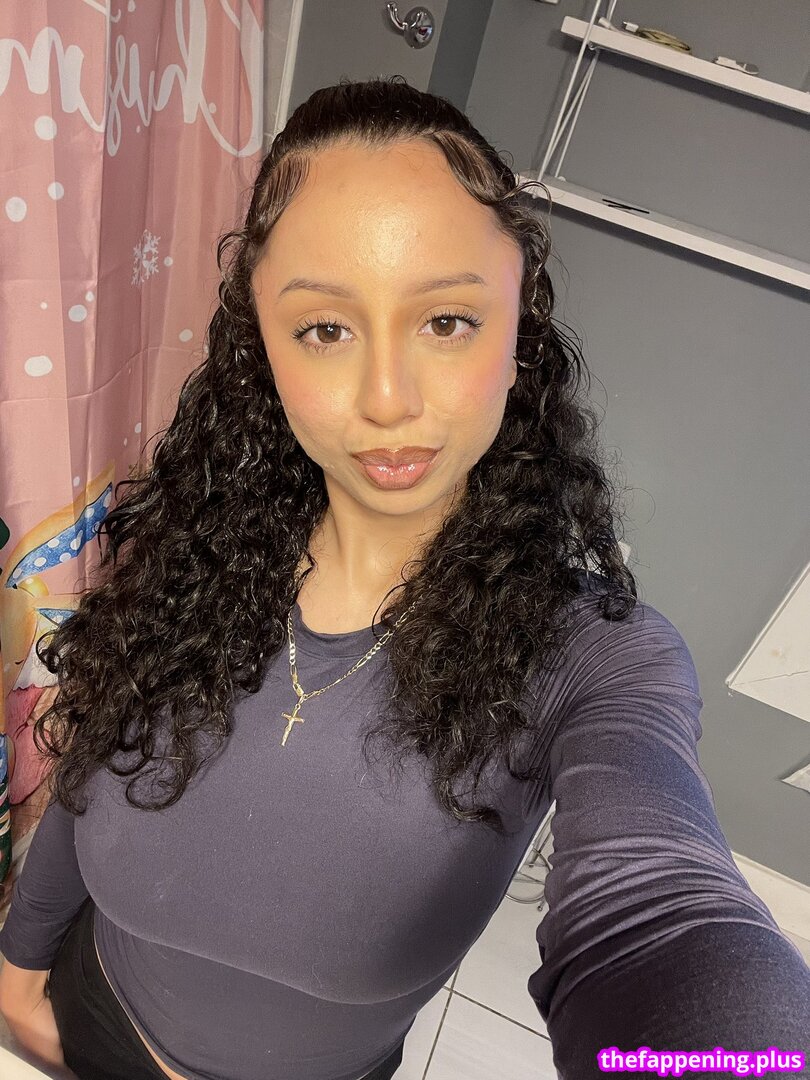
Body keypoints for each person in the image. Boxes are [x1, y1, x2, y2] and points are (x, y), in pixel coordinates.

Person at [0, 76, 808, 1080]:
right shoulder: (194, 553)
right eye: (325, 329)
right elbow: (89, 779)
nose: (387, 399)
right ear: (264, 349)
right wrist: (20, 964)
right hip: (87, 1019)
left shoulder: (591, 658)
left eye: (447, 321)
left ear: (519, 332)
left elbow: (667, 923)